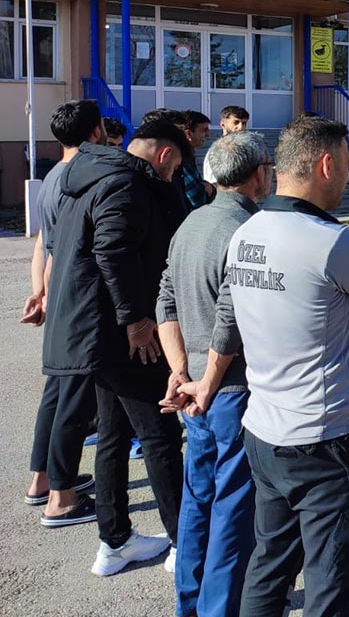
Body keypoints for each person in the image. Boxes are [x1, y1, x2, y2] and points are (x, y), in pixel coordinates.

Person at [226, 115, 349, 616]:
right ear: (325, 164)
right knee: (334, 581)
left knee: (270, 565)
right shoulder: (332, 240)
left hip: (264, 430)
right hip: (329, 439)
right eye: (346, 163)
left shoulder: (247, 231)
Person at [43, 118, 189, 576]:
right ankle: (186, 545)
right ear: (165, 156)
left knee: (113, 434)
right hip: (118, 335)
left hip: (91, 333)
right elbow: (113, 250)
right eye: (175, 170)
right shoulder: (125, 183)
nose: (172, 180)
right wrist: (137, 321)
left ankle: (115, 541)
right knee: (160, 436)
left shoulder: (91, 176)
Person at [156, 132, 272, 617]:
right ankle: (218, 608)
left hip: (194, 388)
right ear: (258, 176)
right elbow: (230, 314)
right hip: (227, 388)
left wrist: (179, 371)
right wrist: (203, 379)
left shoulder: (192, 223)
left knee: (197, 497)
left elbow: (166, 298)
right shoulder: (250, 229)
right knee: (232, 507)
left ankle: (192, 602)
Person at [22, 100, 104, 526]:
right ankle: (62, 497)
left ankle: (42, 479)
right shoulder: (82, 179)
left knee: (56, 396)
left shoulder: (53, 177)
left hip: (57, 300)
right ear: (95, 134)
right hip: (75, 302)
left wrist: (40, 293)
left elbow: (43, 244)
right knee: (73, 400)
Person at [177, 110, 215, 213]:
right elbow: (197, 199)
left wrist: (208, 187)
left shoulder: (188, 156)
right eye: (204, 130)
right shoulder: (180, 159)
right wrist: (210, 189)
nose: (208, 135)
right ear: (188, 133)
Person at [204, 106, 251, 183]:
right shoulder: (216, 151)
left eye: (244, 123)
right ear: (223, 124)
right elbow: (213, 182)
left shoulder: (245, 149)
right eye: (236, 122)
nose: (240, 127)